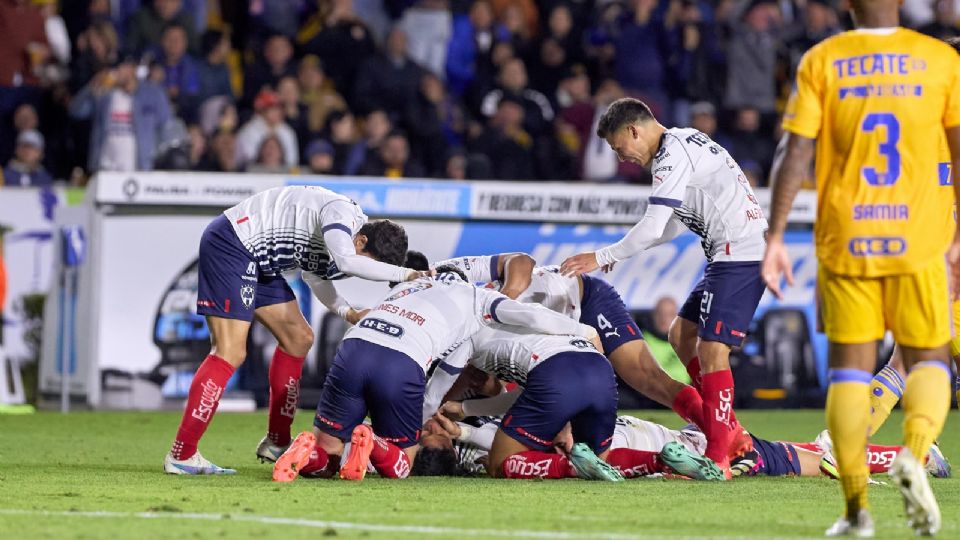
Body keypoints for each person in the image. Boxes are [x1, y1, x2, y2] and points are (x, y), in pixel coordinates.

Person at [760, 0, 960, 533]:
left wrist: (776, 234)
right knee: (929, 362)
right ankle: (914, 455)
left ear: (846, 5)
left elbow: (793, 152)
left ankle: (854, 510)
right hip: (920, 244)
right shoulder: (938, 61)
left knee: (852, 370)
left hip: (848, 239)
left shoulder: (824, 58)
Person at [560, 98, 768, 477]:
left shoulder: (672, 153)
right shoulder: (680, 143)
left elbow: (655, 226)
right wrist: (614, 255)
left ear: (634, 130)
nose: (622, 157)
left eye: (619, 147)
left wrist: (603, 254)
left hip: (739, 254)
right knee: (681, 335)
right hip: (728, 253)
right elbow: (670, 225)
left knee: (712, 351)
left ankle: (722, 455)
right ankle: (728, 432)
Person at [163, 185, 425, 475]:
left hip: (260, 262)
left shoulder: (347, 245)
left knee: (299, 339)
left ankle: (277, 442)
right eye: (369, 265)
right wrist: (407, 274)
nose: (360, 272)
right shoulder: (341, 216)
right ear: (361, 240)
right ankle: (182, 454)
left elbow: (315, 274)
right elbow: (346, 261)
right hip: (232, 245)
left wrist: (347, 312)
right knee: (229, 351)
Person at [270, 265, 602, 483]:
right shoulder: (478, 301)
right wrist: (580, 330)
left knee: (328, 451)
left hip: (353, 346)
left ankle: (309, 452)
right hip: (401, 359)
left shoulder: (409, 289)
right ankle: (372, 445)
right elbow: (529, 317)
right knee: (401, 464)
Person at [425, 252, 730, 466]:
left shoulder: (444, 282)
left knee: (649, 378)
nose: (479, 382)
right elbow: (525, 392)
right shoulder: (470, 347)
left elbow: (522, 261)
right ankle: (716, 442)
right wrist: (464, 410)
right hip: (565, 346)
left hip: (582, 298)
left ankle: (727, 440)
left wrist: (505, 298)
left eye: (474, 380)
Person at [68, 56, 172, 172]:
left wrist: (154, 157)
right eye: (114, 68)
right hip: (106, 166)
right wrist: (91, 86)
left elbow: (166, 125)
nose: (116, 72)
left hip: (140, 166)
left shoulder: (152, 93)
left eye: (120, 67)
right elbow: (76, 111)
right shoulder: (104, 94)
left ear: (132, 69)